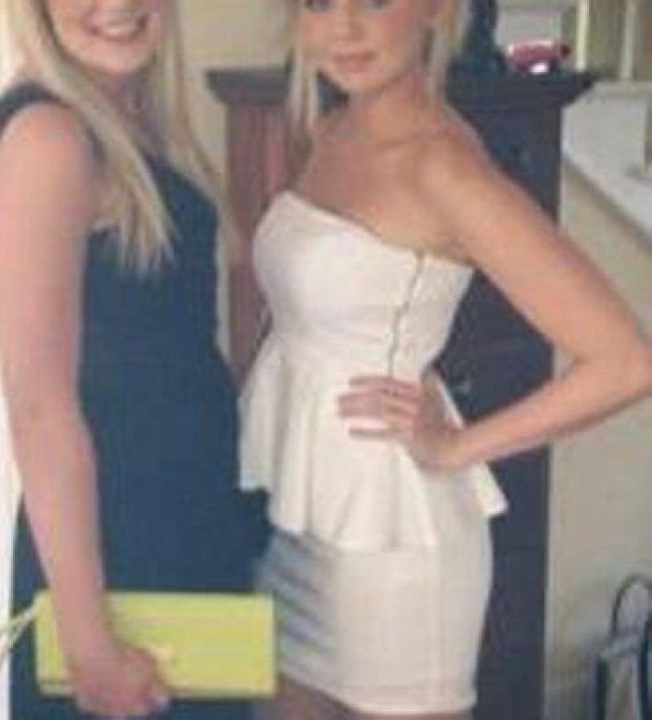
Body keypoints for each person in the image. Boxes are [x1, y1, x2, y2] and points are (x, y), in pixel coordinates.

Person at [239, 1, 652, 719]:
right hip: (297, 521)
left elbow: (624, 362)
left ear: (437, 9)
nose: (344, 27)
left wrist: (456, 446)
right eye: (319, 1)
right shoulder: (332, 129)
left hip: (395, 544)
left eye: (374, 0)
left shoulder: (443, 167)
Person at [0, 1, 256, 718]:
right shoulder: (48, 136)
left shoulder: (133, 120)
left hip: (184, 525)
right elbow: (38, 405)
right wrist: (89, 643)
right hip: (119, 549)